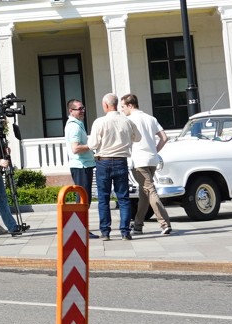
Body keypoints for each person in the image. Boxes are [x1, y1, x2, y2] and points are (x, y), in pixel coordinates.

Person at [122, 93, 172, 236]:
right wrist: (154, 151)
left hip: (139, 161)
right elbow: (164, 137)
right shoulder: (151, 118)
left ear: (130, 105)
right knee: (144, 193)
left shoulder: (129, 120)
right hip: (152, 160)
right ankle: (138, 225)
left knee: (149, 190)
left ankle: (165, 223)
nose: (122, 110)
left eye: (123, 106)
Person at [88, 92, 136, 241]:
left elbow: (93, 144)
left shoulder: (99, 122)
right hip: (121, 160)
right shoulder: (127, 121)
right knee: (123, 198)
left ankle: (105, 232)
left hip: (104, 161)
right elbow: (137, 137)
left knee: (103, 198)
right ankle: (125, 231)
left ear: (106, 105)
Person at [64, 98, 93, 201]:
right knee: (83, 199)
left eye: (83, 108)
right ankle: (78, 218)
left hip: (83, 166)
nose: (82, 111)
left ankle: (81, 217)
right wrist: (91, 145)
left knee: (84, 198)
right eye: (79, 109)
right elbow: (75, 149)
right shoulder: (74, 127)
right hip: (81, 166)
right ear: (71, 111)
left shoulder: (78, 124)